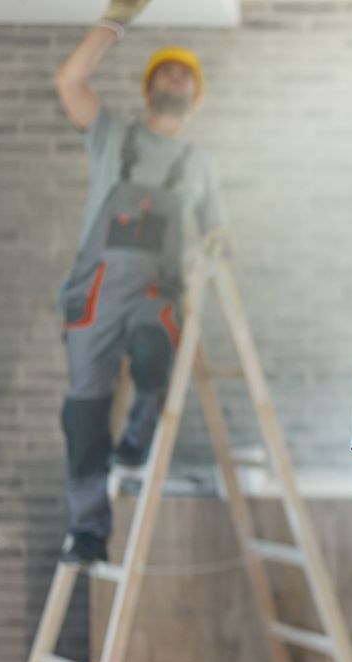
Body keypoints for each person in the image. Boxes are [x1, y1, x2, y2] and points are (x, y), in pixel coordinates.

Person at [54, 0, 226, 564]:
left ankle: (136, 439)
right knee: (82, 415)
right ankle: (87, 532)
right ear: (151, 85)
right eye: (166, 70)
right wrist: (114, 22)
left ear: (193, 95)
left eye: (185, 74)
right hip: (96, 292)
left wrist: (217, 251)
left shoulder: (199, 164)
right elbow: (70, 80)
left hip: (158, 293)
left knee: (156, 353)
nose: (175, 77)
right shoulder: (110, 137)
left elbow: (214, 233)